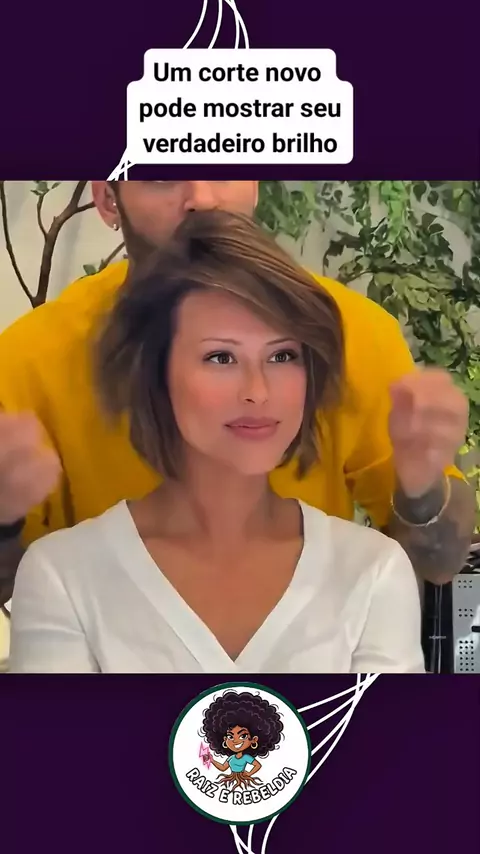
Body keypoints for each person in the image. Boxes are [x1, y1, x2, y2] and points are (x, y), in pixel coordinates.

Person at [0, 181, 474, 613]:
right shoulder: (30, 360)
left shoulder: (350, 334)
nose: (202, 199)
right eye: (163, 176)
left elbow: (439, 564)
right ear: (108, 199)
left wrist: (421, 490)